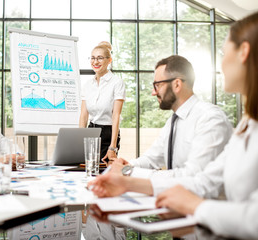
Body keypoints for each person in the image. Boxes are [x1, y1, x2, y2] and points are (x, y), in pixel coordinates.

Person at [91, 12, 258, 239]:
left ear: (244, 52)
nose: (152, 91)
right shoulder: (246, 124)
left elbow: (198, 180)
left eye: (223, 51)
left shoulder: (211, 118)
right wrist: (127, 173)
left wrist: (129, 175)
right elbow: (199, 178)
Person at [117, 55, 232, 179]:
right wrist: (127, 165)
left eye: (157, 85)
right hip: (178, 195)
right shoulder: (172, 122)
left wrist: (129, 172)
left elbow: (193, 175)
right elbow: (153, 157)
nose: (153, 92)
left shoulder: (210, 118)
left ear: (177, 84)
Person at [79, 41, 125, 162]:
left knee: (103, 171)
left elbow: (116, 116)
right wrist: (78, 141)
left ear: (109, 60)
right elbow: (83, 116)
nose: (95, 62)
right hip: (90, 132)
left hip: (108, 133)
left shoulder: (117, 83)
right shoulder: (88, 84)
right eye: (93, 58)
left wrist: (113, 147)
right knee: (86, 170)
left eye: (100, 58)